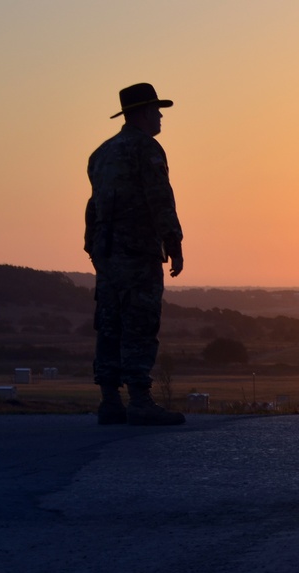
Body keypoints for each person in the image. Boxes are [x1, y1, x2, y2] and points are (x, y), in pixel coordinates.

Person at [84, 82, 186, 425]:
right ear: (142, 113)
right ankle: (140, 400)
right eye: (156, 110)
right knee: (140, 324)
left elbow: (92, 206)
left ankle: (110, 401)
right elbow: (160, 198)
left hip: (107, 252)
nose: (160, 117)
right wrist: (174, 242)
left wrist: (94, 247)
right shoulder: (146, 149)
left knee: (110, 324)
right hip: (138, 250)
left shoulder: (101, 153)